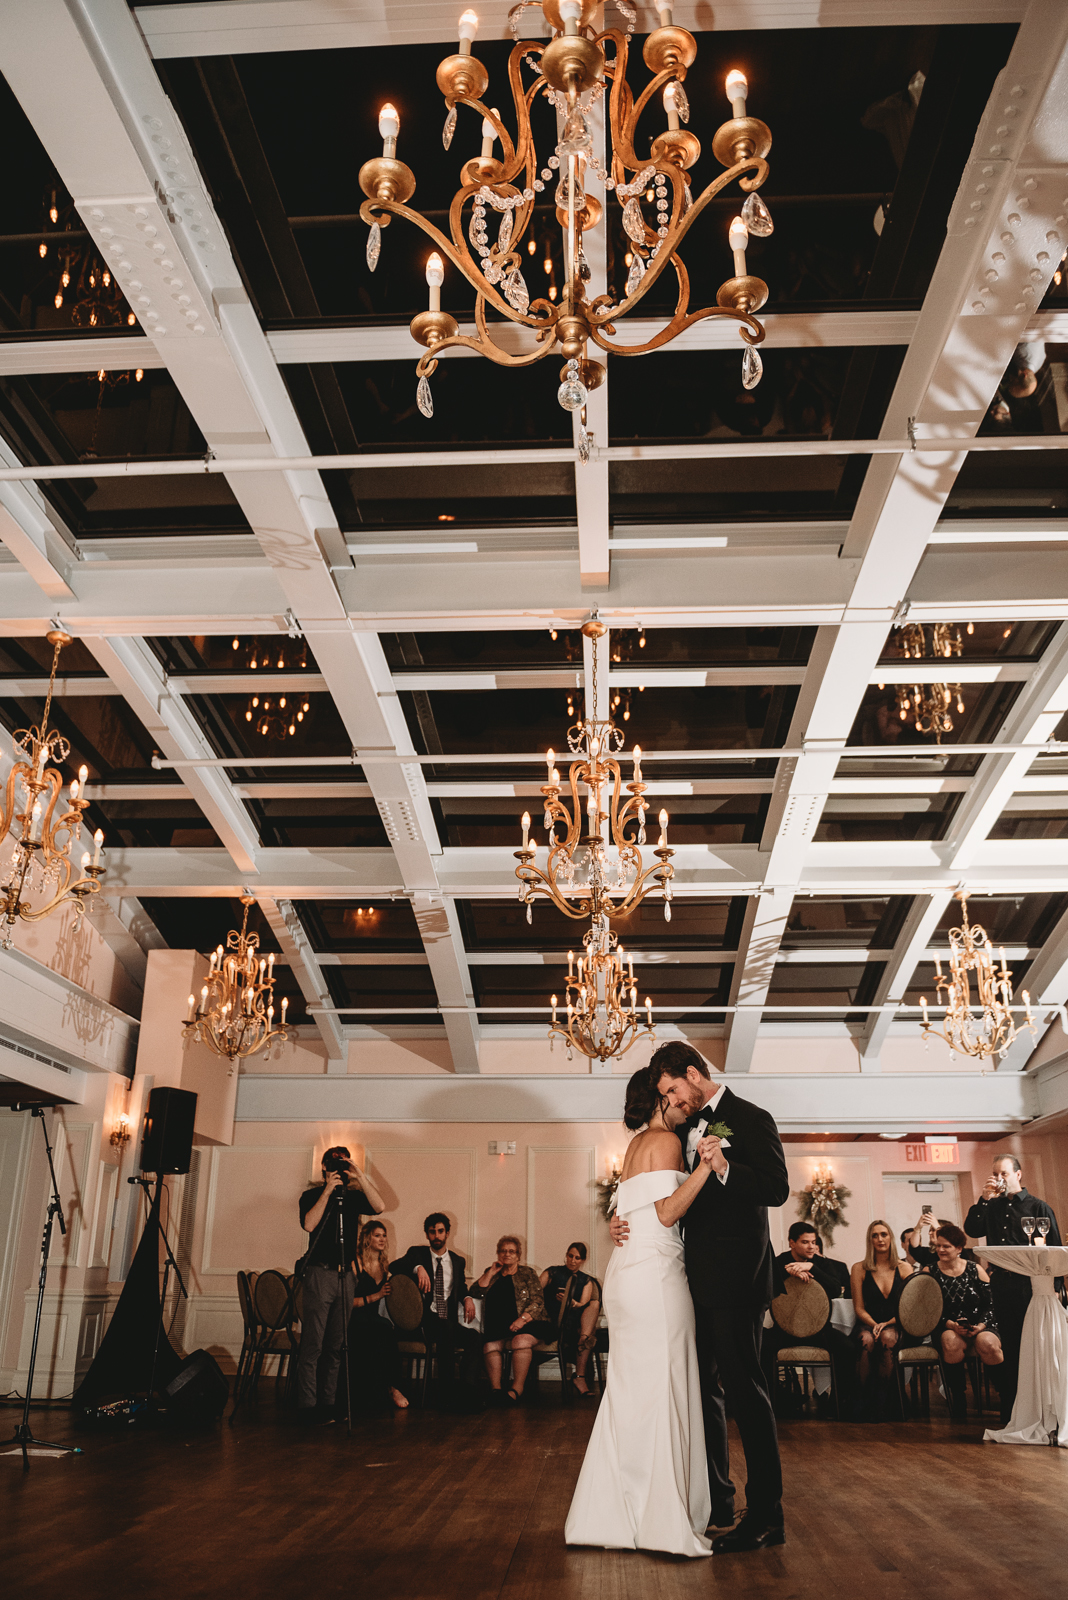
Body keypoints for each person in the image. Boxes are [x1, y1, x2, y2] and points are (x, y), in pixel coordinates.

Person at [609, 1041, 790, 1554]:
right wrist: (624, 1218)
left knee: (746, 1396)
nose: (672, 1100)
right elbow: (662, 1192)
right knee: (702, 1393)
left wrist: (726, 1166)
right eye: (665, 1095)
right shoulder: (682, 1128)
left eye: (672, 1089)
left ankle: (767, 1515)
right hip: (688, 1281)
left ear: (692, 1074)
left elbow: (776, 1188)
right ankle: (715, 1500)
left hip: (737, 1281)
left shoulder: (750, 1117)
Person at [566, 1065, 723, 1556]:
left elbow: (629, 1213)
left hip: (626, 1274)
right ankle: (659, 1518)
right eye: (673, 1094)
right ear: (658, 1099)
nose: (683, 1100)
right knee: (662, 1390)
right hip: (655, 1277)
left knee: (631, 1393)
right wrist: (706, 1165)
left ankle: (614, 1513)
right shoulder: (668, 1141)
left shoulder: (634, 1145)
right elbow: (665, 1212)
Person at [964, 1153, 1061, 1424]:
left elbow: (1054, 1249)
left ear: (1018, 1175)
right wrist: (983, 1199)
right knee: (1011, 1344)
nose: (999, 1179)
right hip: (1002, 1284)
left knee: (1035, 1344)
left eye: (1003, 1174)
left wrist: (1056, 1287)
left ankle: (1042, 1407)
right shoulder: (991, 1207)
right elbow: (972, 1229)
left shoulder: (1038, 1207)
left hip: (1030, 1285)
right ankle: (1012, 1407)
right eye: (995, 1174)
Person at [295, 1145, 385, 1424]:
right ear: (323, 1168)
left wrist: (357, 1172)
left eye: (342, 1164)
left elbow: (380, 1206)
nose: (338, 1169)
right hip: (320, 1273)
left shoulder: (353, 1197)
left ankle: (328, 1403)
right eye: (334, 1164)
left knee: (336, 1345)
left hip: (346, 1275)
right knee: (313, 1344)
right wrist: (327, 1190)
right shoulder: (310, 1195)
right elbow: (309, 1224)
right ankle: (308, 1407)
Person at [766, 1223, 855, 1414]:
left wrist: (812, 1266)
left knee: (847, 1348)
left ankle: (839, 1402)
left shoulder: (820, 1262)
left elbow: (834, 1288)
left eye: (813, 1242)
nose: (811, 1247)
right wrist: (789, 1273)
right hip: (784, 1331)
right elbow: (766, 1288)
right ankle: (777, 1401)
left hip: (819, 1331)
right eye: (805, 1242)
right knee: (760, 1347)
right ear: (792, 1243)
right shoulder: (780, 1261)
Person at [390, 1213, 479, 1403]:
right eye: (432, 1232)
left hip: (448, 1319)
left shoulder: (458, 1261)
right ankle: (446, 1394)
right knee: (445, 1328)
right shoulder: (417, 1254)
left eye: (440, 1231)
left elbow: (461, 1286)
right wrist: (418, 1267)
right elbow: (394, 1266)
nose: (436, 1236)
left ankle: (467, 1390)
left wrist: (468, 1298)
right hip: (425, 1321)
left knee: (474, 1337)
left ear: (447, 1233)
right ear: (427, 1234)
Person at [922, 1222, 1003, 1420]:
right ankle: (958, 1399)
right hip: (946, 1325)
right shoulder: (929, 1272)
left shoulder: (975, 1270)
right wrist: (950, 1324)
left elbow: (992, 1305)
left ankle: (1006, 1397)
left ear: (959, 1249)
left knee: (988, 1344)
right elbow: (928, 1309)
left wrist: (981, 1326)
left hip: (981, 1324)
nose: (940, 1249)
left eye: (946, 1246)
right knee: (951, 1341)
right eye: (938, 1245)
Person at [470, 1236, 552, 1403]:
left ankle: (517, 1389)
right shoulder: (492, 1272)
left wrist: (522, 1320)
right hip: (500, 1326)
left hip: (529, 1323)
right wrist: (491, 1272)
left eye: (511, 1251)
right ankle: (496, 1390)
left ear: (518, 1255)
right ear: (498, 1253)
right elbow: (475, 1292)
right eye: (503, 1251)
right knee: (489, 1344)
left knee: (519, 1341)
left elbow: (538, 1301)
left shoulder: (527, 1273)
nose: (507, 1254)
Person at [850, 1220, 912, 1419]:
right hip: (867, 1322)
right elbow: (858, 1308)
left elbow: (908, 1308)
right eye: (875, 1235)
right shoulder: (859, 1268)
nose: (880, 1239)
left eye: (883, 1234)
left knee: (887, 1337)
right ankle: (861, 1400)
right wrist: (874, 1324)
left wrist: (888, 1323)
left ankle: (883, 1402)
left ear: (891, 1238)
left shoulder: (904, 1268)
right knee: (866, 1340)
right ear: (870, 1240)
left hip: (897, 1322)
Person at [348, 1220, 408, 1412]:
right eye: (377, 1235)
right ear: (367, 1238)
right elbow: (347, 1302)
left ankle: (388, 1388)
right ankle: (391, 1388)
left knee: (386, 1328)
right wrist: (376, 1295)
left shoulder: (384, 1265)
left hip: (372, 1319)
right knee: (383, 1329)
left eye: (384, 1235)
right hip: (353, 1318)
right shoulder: (355, 1263)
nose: (382, 1239)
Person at [541, 1243, 596, 1397]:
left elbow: (583, 1304)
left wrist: (571, 1303)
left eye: (577, 1258)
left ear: (583, 1260)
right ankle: (584, 1343)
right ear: (566, 1255)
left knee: (594, 1304)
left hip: (575, 1319)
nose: (572, 1260)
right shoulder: (552, 1272)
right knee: (589, 1333)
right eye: (570, 1256)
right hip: (553, 1318)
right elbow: (536, 1294)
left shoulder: (586, 1280)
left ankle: (583, 1339)